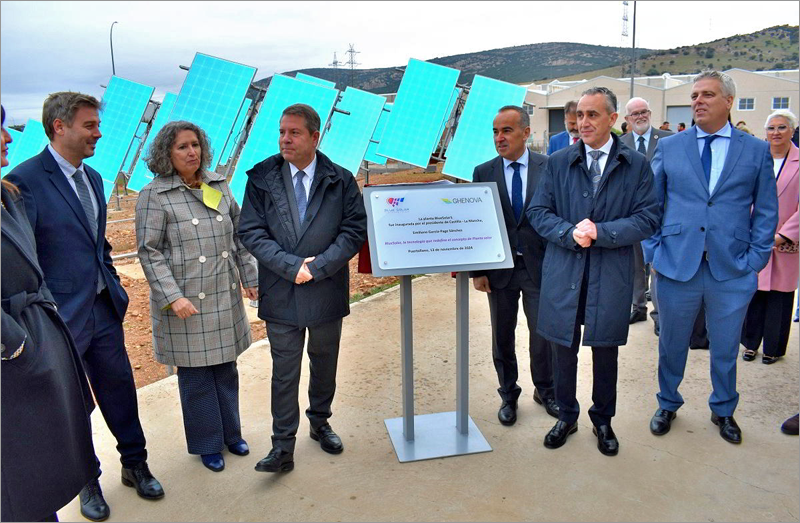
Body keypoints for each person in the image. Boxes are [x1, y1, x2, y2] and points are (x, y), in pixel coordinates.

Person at [5, 92, 164, 522]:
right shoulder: (25, 182)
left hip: (101, 308)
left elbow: (98, 244)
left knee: (119, 389)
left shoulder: (92, 178)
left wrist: (111, 283)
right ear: (60, 127)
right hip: (60, 318)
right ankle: (86, 481)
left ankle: (135, 464)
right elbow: (26, 259)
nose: (99, 132)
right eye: (90, 125)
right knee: (72, 404)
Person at [646, 71, 778, 445]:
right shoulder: (671, 147)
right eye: (694, 95)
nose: (697, 101)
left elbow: (766, 209)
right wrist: (654, 250)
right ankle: (667, 402)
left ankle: (723, 409)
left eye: (707, 95)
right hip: (676, 264)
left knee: (725, 347)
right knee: (671, 343)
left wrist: (755, 259)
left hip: (731, 268)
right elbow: (652, 203)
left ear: (728, 101)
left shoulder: (754, 150)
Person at [528, 87, 659, 456]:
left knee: (605, 350)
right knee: (563, 347)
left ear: (612, 119)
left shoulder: (635, 165)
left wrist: (603, 233)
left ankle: (603, 420)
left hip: (610, 272)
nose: (584, 122)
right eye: (580, 115)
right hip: (565, 270)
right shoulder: (558, 162)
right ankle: (566, 416)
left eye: (593, 115)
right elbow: (539, 212)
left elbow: (648, 217)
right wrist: (568, 233)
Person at [238, 104, 367, 473]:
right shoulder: (262, 177)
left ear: (314, 136)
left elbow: (353, 230)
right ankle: (282, 446)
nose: (285, 139)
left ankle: (320, 422)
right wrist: (290, 266)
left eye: (293, 133)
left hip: (325, 289)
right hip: (282, 289)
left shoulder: (340, 179)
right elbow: (251, 230)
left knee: (324, 362)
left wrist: (320, 267)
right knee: (285, 370)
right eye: (281, 132)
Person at [135, 121, 259, 472]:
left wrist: (249, 277)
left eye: (195, 145)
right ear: (166, 154)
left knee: (225, 370)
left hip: (222, 294)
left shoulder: (217, 184)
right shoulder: (155, 195)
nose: (192, 152)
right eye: (182, 147)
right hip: (186, 303)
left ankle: (231, 433)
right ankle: (207, 444)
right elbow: (149, 252)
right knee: (196, 378)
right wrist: (173, 297)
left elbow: (239, 233)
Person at [1, 105, 98, 522]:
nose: (8, 137)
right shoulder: (27, 180)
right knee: (18, 481)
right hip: (15, 355)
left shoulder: (8, 195)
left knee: (37, 478)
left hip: (40, 332)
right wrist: (15, 344)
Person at [471, 106, 558, 426]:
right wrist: (477, 271)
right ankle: (508, 394)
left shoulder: (548, 167)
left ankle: (545, 390)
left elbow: (557, 215)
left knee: (542, 334)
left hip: (539, 267)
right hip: (499, 271)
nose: (499, 138)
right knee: (502, 336)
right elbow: (477, 223)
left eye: (506, 131)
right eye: (495, 131)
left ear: (525, 132)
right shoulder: (483, 172)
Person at [740, 110, 798, 364]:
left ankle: (774, 348)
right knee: (754, 292)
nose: (776, 133)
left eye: (782, 127)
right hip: (755, 237)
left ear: (793, 131)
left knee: (780, 295)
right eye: (771, 128)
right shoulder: (754, 159)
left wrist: (783, 236)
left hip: (785, 241)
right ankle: (750, 343)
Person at [621, 97, 673, 329]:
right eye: (635, 113)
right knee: (635, 264)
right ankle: (637, 307)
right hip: (632, 215)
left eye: (644, 111)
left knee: (657, 264)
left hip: (661, 215)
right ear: (627, 119)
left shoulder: (668, 139)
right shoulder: (619, 143)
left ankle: (660, 315)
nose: (640, 116)